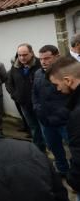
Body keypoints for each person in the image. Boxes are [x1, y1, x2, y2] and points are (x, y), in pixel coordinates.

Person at [47, 55, 80, 201]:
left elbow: (79, 156)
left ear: (68, 80)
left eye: (57, 85)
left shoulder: (77, 115)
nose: (57, 90)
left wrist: (73, 182)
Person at [32, 45, 70, 176]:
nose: (43, 61)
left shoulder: (67, 73)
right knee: (54, 147)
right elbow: (35, 94)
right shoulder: (37, 74)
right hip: (46, 122)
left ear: (57, 56)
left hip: (65, 122)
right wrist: (37, 109)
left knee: (74, 149)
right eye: (41, 58)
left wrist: (64, 114)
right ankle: (62, 169)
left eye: (47, 58)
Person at [6, 43, 45, 151]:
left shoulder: (40, 65)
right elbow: (9, 83)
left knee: (45, 129)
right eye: (19, 55)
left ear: (31, 53)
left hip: (41, 105)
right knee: (34, 129)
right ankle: (40, 151)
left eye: (25, 54)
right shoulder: (15, 67)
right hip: (25, 105)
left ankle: (53, 150)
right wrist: (15, 96)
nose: (22, 58)